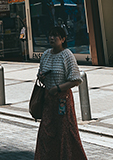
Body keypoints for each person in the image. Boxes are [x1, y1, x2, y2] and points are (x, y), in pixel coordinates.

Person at [33, 26, 87, 160]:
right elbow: (40, 72)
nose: (52, 38)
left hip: (62, 100)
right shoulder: (46, 54)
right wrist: (41, 77)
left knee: (64, 132)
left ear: (63, 39)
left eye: (56, 36)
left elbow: (76, 80)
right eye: (50, 35)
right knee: (46, 132)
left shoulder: (67, 55)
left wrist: (57, 88)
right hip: (48, 100)